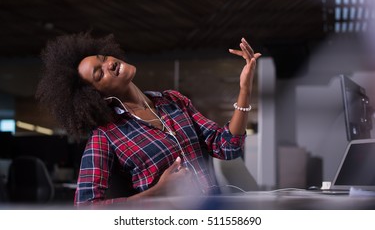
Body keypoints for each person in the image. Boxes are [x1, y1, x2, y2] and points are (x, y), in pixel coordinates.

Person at [35, 32, 261, 206]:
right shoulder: (106, 136)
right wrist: (157, 192)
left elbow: (227, 147)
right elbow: (86, 208)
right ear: (95, 96)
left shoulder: (173, 101)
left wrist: (244, 89)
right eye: (99, 73)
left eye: (103, 58)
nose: (109, 64)